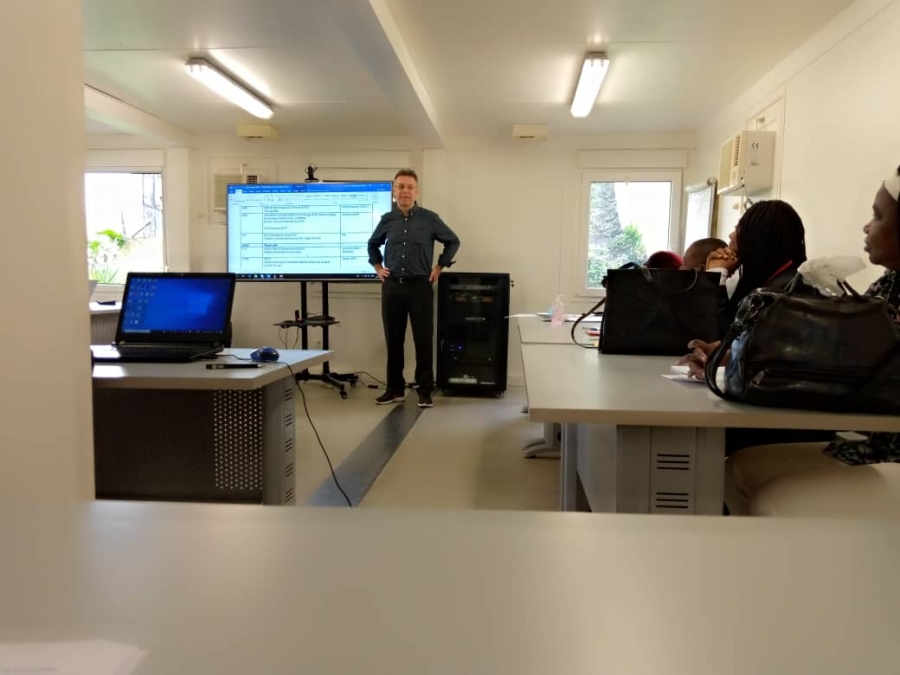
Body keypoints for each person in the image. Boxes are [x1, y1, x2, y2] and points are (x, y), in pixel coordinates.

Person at [726, 168, 900, 514]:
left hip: (884, 448)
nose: (867, 227)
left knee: (739, 468)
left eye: (878, 216)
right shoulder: (889, 285)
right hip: (870, 435)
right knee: (740, 463)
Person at [367, 169, 460, 409]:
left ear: (416, 191)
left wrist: (439, 266)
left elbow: (453, 241)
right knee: (394, 340)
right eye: (400, 187)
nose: (405, 191)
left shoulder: (430, 218)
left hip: (420, 287)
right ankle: (394, 389)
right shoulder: (387, 219)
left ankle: (425, 391)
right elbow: (372, 244)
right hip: (392, 287)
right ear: (394, 190)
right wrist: (378, 267)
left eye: (409, 187)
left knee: (423, 340)